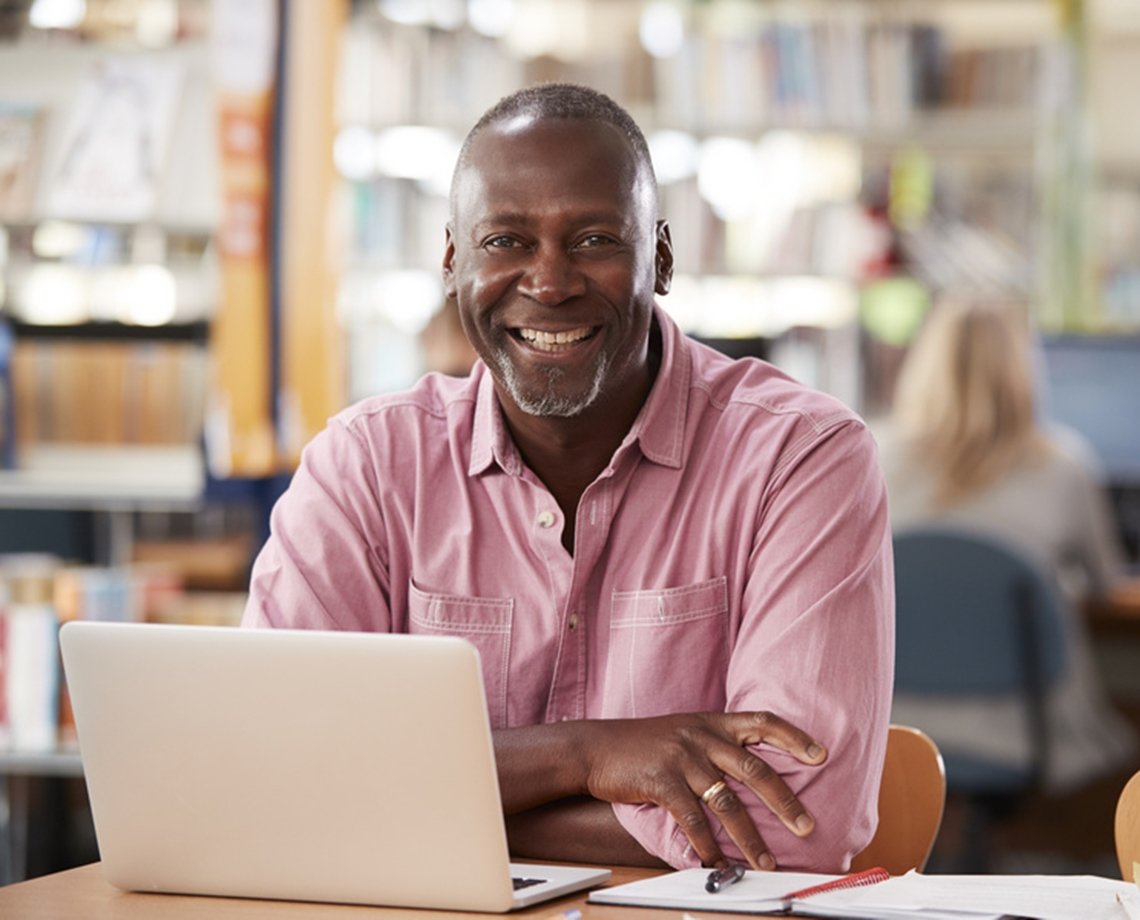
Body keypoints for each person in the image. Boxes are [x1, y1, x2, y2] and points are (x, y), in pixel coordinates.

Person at [242, 83, 894, 873]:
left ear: (660, 256)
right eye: (505, 241)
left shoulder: (801, 458)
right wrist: (585, 755)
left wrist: (415, 808)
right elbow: (277, 776)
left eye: (592, 240)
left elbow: (799, 824)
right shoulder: (365, 466)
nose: (549, 283)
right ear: (453, 261)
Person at [878, 299, 1137, 792]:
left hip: (895, 727)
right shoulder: (1063, 466)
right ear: (1022, 370)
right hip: (1023, 731)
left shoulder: (873, 455)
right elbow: (1109, 586)